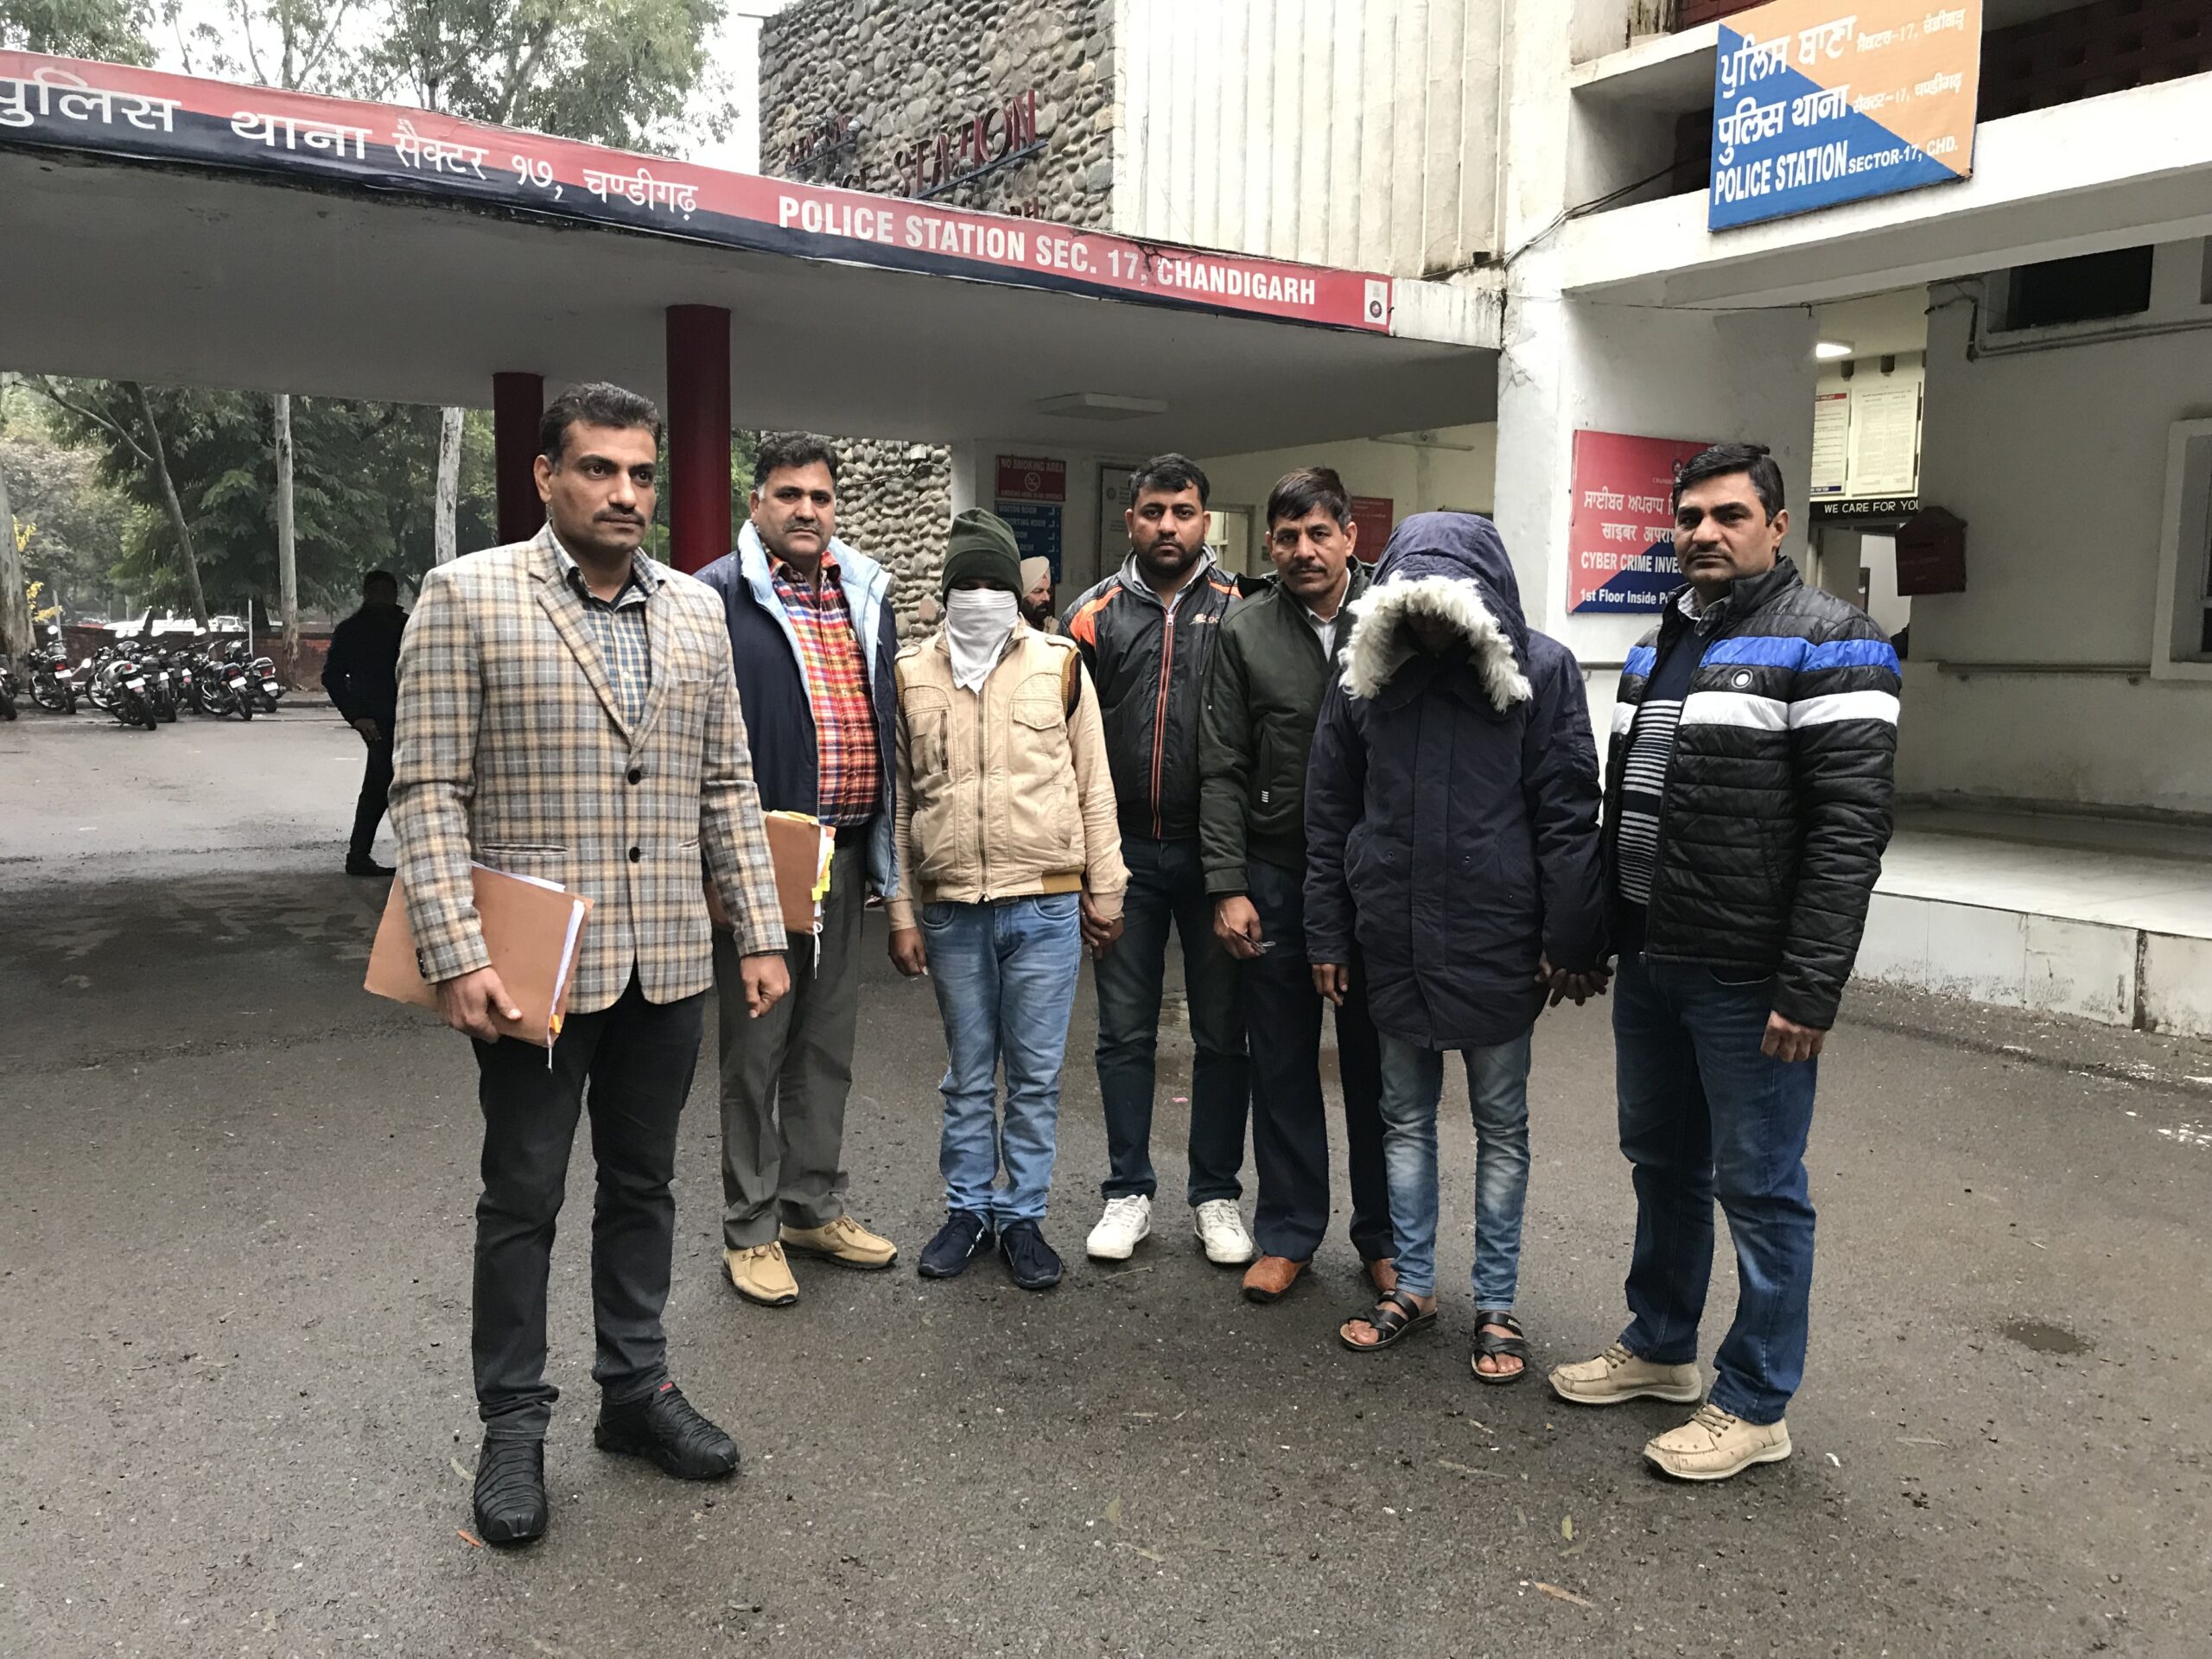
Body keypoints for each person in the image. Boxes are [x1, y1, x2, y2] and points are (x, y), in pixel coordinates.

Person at [390, 382, 791, 1547]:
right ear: (545, 476)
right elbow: (428, 789)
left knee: (645, 1184)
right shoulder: (467, 596)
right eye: (599, 469)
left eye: (641, 474)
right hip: (534, 969)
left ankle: (635, 1389)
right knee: (523, 1196)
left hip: (668, 961)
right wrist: (454, 952)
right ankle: (513, 1424)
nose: (625, 493)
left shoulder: (695, 613)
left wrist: (761, 929)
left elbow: (727, 784)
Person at [1548, 442, 1899, 1481]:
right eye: (1690, 516)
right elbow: (1625, 808)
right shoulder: (1658, 646)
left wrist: (1809, 986)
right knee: (1661, 1163)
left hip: (1748, 978)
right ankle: (1662, 1347)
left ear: (1777, 526)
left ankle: (1754, 1403)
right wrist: (1595, 935)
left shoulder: (1835, 642)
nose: (1704, 533)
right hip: (1653, 959)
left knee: (1760, 1189)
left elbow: (1848, 831)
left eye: (1729, 515)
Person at [1306, 513, 1605, 1379]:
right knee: (1402, 1119)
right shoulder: (1364, 674)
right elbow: (1329, 809)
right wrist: (1326, 929)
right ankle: (1413, 1286)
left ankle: (1497, 1305)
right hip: (1392, 932)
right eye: (1415, 605)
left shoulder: (1541, 670)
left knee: (1501, 1125)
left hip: (1496, 935)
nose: (1430, 623)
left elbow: (1567, 812)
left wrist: (1570, 938)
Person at [888, 511, 1127, 1290]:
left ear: (1018, 592)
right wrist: (900, 909)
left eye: (996, 582)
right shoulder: (911, 673)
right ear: (946, 591)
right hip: (952, 910)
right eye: (968, 582)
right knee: (966, 1076)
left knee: (1033, 1078)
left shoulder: (1060, 665)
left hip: (1044, 910)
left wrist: (1107, 890)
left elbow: (1094, 785)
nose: (982, 594)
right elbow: (901, 800)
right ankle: (967, 1212)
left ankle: (1021, 1217)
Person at [696, 435, 902, 1308]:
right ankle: (751, 1226)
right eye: (788, 494)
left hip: (845, 858)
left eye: (819, 496)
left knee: (825, 1046)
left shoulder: (865, 594)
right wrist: (712, 868)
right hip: (761, 860)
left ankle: (811, 1206)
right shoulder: (716, 596)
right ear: (756, 504)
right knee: (756, 1051)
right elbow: (690, 740)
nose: (806, 510)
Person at [1198, 468, 1393, 1306]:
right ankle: (1287, 1232)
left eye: (1319, 533)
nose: (1303, 551)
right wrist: (1227, 885)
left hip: (1371, 877)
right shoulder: (1243, 631)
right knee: (1279, 1061)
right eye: (1287, 537)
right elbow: (1219, 767)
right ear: (1269, 545)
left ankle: (1386, 1240)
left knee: (1377, 1069)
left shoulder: (1394, 617)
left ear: (1350, 536)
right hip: (1275, 874)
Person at [1063, 454, 1253, 1268]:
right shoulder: (1089, 617)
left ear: (1205, 519)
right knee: (1124, 1033)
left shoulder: (1244, 611)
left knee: (1223, 1035)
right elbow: (1062, 748)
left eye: (1182, 512)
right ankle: (1127, 1192)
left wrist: (1238, 865)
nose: (1167, 526)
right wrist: (1085, 864)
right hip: (1123, 856)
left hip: (1217, 857)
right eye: (1153, 512)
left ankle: (1215, 1196)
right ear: (1130, 520)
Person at [322, 569, 406, 877]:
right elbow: (332, 677)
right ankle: (360, 854)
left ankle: (363, 854)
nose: (383, 599)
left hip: (413, 715)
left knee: (392, 784)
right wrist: (357, 716)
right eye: (377, 593)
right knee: (382, 784)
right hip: (377, 719)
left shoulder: (408, 626)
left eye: (387, 593)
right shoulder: (351, 631)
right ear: (367, 594)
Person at [1019, 556, 1058, 632]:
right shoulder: (1010, 631)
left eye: (1049, 591)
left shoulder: (1055, 629)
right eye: (1038, 591)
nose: (1047, 598)